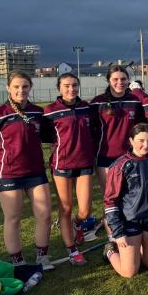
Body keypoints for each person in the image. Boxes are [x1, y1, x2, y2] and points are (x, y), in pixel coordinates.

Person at [0, 70, 53, 268]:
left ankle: (42, 257)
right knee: (13, 218)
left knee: (45, 215)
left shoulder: (38, 112)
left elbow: (52, 135)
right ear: (8, 89)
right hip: (9, 174)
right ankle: (18, 261)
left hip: (36, 172)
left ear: (30, 87)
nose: (21, 90)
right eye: (16, 87)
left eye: (25, 86)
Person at [42, 73, 95, 266]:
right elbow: (46, 136)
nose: (71, 89)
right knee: (66, 208)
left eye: (74, 85)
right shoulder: (50, 111)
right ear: (59, 88)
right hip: (62, 165)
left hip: (85, 163)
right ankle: (72, 250)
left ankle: (77, 224)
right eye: (66, 86)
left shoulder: (86, 108)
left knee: (85, 210)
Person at [102, 124, 148, 278]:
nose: (146, 145)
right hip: (130, 220)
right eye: (141, 140)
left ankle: (139, 247)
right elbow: (110, 202)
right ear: (131, 140)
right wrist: (118, 232)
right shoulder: (120, 165)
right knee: (129, 272)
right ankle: (110, 250)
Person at [91, 65, 144, 238]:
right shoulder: (98, 102)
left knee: (128, 195)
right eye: (115, 79)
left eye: (123, 79)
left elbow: (140, 128)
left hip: (129, 157)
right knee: (111, 199)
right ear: (108, 80)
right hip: (106, 158)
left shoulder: (135, 101)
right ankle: (112, 238)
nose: (119, 82)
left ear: (128, 80)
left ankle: (129, 230)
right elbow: (89, 129)